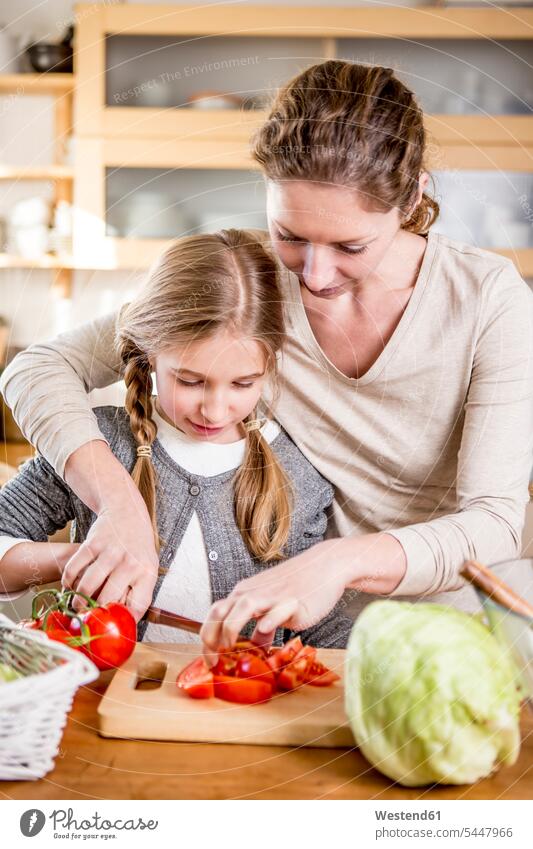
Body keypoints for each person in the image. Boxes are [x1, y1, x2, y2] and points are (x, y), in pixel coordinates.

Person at [2, 61, 532, 660]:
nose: (314, 275)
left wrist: (338, 562)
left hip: (438, 634)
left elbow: (496, 521)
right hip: (294, 639)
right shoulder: (249, 285)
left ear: (413, 197)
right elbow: (36, 367)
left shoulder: (489, 300)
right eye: (291, 235)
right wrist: (121, 507)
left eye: (350, 246)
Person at [0, 229, 352, 649]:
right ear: (149, 354)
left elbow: (315, 625)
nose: (215, 410)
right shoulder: (100, 443)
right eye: (190, 380)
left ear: (271, 364)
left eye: (243, 383)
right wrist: (80, 560)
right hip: (105, 707)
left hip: (248, 711)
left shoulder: (298, 471)